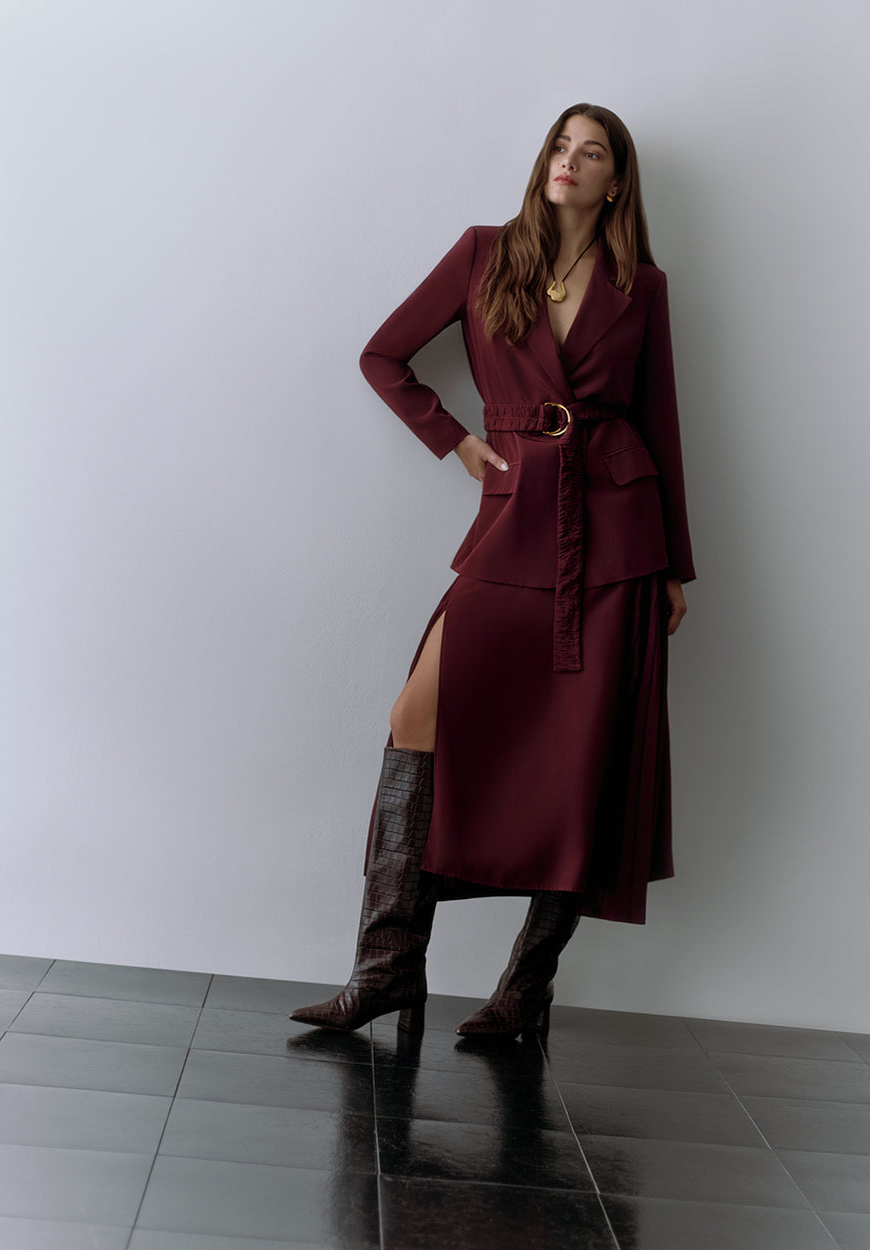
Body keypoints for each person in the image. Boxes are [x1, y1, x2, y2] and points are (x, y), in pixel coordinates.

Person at [289, 103, 694, 1039]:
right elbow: (383, 355)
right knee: (415, 718)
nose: (570, 161)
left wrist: (676, 563)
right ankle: (388, 968)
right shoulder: (484, 252)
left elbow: (662, 421)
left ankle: (525, 991)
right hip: (512, 523)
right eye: (561, 144)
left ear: (615, 180)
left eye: (592, 153)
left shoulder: (643, 285)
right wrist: (458, 443)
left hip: (618, 533)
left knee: (584, 762)